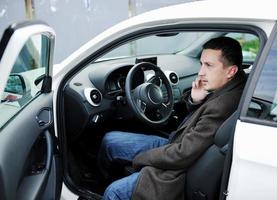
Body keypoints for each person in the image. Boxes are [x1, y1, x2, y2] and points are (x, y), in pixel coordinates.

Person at [98, 36, 247, 200]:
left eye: (209, 66)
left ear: (231, 71)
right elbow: (198, 125)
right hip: (179, 145)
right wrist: (194, 100)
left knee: (113, 192)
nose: (201, 72)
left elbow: (183, 155)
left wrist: (142, 159)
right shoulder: (234, 88)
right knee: (110, 140)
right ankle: (99, 182)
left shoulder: (223, 104)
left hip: (178, 169)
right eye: (201, 64)